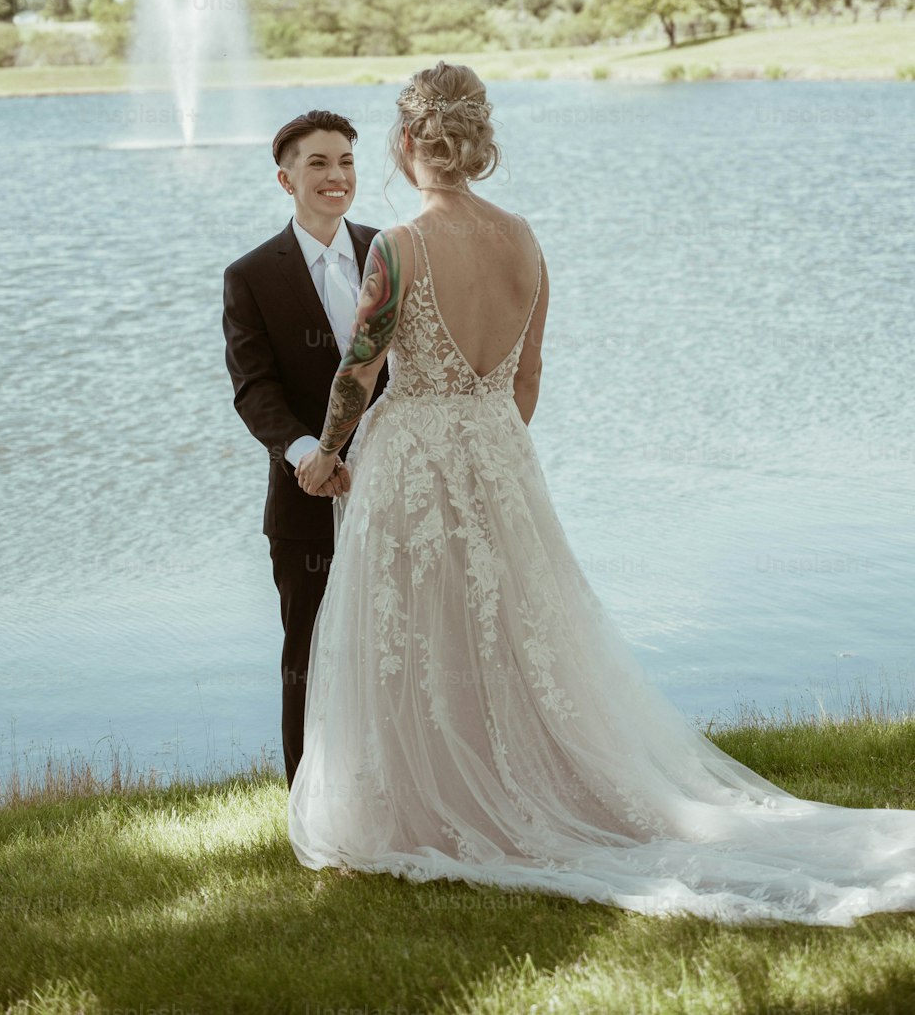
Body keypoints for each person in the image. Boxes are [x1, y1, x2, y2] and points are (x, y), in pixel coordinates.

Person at [286, 61, 915, 926]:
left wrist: (326, 453)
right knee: (509, 629)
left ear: (404, 142)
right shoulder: (525, 239)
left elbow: (358, 369)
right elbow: (527, 377)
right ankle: (499, 779)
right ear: (478, 142)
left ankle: (431, 800)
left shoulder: (396, 246)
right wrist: (488, 455)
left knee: (420, 626)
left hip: (414, 456)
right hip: (499, 452)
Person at [222, 110, 390, 786]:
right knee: (310, 652)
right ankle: (311, 799)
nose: (336, 175)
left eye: (346, 160)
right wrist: (306, 456)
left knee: (400, 644)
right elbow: (253, 388)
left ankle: (397, 788)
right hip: (305, 502)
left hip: (396, 482)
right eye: (318, 163)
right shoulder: (252, 275)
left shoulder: (392, 249)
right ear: (285, 178)